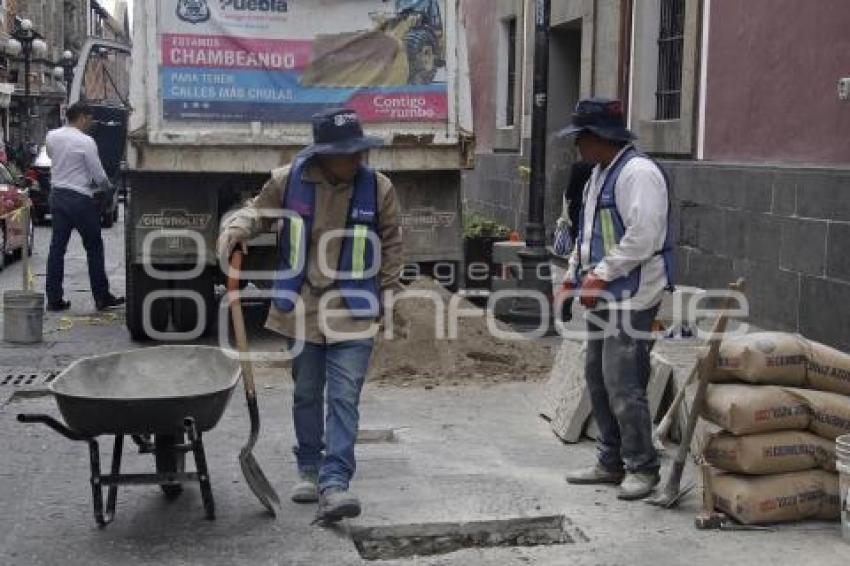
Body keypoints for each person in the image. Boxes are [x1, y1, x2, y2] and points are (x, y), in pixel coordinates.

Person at [217, 108, 403, 524]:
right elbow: (257, 213)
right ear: (322, 154)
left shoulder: (379, 188)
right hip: (301, 306)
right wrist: (235, 229)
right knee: (306, 391)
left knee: (343, 395)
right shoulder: (288, 180)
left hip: (354, 309)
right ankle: (309, 467)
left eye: (358, 152)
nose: (354, 161)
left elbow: (391, 244)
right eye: (345, 153)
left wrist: (391, 296)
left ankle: (336, 482)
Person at [554, 97, 675, 501]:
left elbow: (642, 238)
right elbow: (587, 236)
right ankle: (610, 460)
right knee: (597, 376)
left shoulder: (637, 174)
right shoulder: (598, 175)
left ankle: (642, 467)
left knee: (624, 382)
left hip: (633, 292)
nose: (577, 148)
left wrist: (601, 275)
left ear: (598, 137)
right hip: (606, 290)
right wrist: (572, 277)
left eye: (580, 139)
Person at [45, 103, 124, 312]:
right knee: (94, 247)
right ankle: (101, 297)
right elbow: (98, 174)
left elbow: (53, 157)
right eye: (89, 119)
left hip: (57, 196)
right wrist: (108, 188)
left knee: (57, 248)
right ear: (81, 117)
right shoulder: (86, 141)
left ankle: (54, 299)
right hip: (80, 199)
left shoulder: (52, 136)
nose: (90, 123)